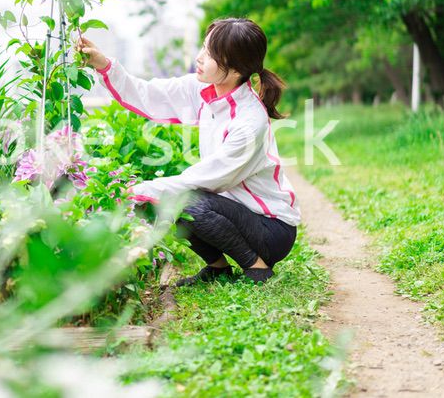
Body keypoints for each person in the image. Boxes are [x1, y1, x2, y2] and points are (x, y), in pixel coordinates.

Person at [75, 17, 300, 285]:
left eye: (211, 54)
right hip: (238, 213)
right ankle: (218, 269)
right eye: (203, 47)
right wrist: (103, 64)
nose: (199, 57)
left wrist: (135, 191)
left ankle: (258, 268)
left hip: (271, 229)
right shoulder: (202, 88)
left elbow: (207, 179)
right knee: (169, 196)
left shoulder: (249, 122)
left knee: (183, 198)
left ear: (236, 69)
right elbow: (148, 94)